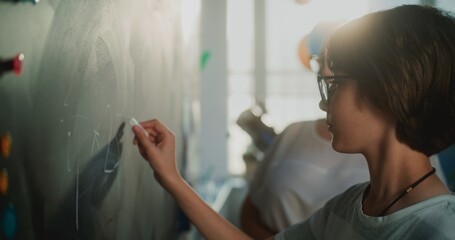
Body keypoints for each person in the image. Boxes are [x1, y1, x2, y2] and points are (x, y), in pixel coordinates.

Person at [132, 5, 455, 239]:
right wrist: (171, 178)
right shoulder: (349, 206)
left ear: (386, 90)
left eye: (336, 84)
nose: (323, 101)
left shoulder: (439, 229)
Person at [239, 22, 369, 240]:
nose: (327, 71)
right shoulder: (293, 133)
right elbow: (249, 210)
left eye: (336, 61)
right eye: (320, 60)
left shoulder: (395, 144)